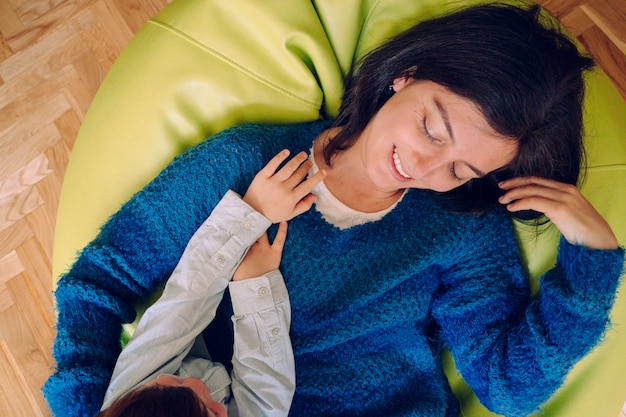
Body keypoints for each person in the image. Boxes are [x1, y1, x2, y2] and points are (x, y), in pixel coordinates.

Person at [44, 3, 624, 417]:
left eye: (461, 170)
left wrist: (593, 268)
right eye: (432, 127)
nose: (424, 168)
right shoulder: (247, 161)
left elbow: (505, 386)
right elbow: (97, 283)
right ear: (407, 75)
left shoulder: (462, 225)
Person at [97, 150, 326, 417]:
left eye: (176, 384)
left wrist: (253, 211)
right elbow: (265, 401)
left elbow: (186, 299)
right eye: (214, 413)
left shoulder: (131, 394)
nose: (198, 386)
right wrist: (255, 283)